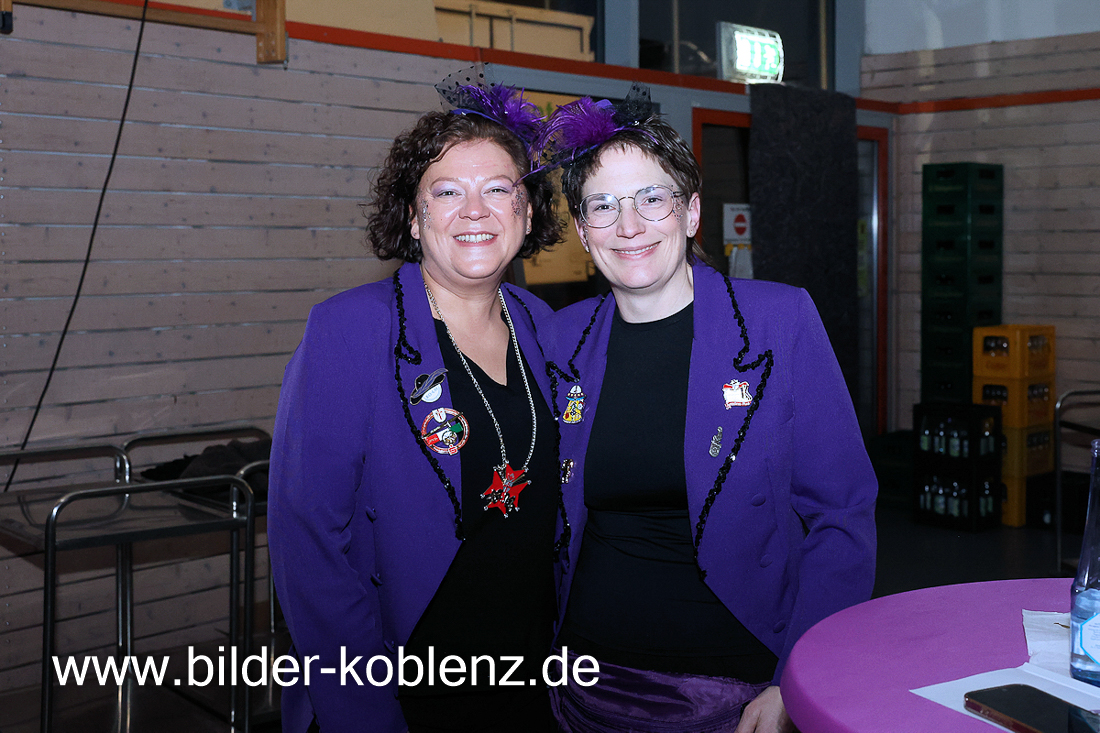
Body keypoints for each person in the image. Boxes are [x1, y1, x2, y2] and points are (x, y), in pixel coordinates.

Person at [541, 84, 877, 732]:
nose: (629, 226)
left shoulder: (778, 322)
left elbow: (843, 515)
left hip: (736, 689)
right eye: (603, 206)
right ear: (582, 230)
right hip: (584, 687)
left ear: (691, 211)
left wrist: (797, 678)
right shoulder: (562, 339)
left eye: (651, 198)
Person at [267, 72, 567, 733]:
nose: (475, 210)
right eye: (447, 191)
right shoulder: (352, 328)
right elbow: (308, 543)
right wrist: (363, 713)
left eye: (499, 189)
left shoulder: (545, 327)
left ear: (527, 213)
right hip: (401, 694)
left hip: (531, 687)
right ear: (413, 214)